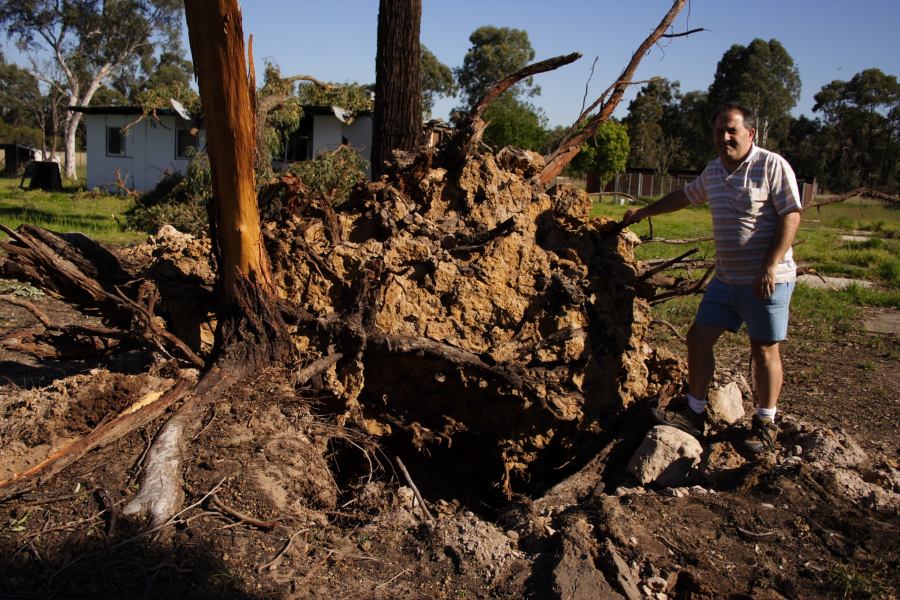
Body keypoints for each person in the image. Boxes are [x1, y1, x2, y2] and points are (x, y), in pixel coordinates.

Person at [622, 103, 802, 453]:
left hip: (767, 278)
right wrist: (645, 211)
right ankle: (695, 412)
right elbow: (684, 196)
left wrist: (770, 264)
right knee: (698, 339)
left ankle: (765, 422)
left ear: (751, 133)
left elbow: (791, 216)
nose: (725, 137)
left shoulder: (771, 165)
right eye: (719, 131)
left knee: (764, 348)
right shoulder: (714, 171)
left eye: (732, 130)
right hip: (726, 280)